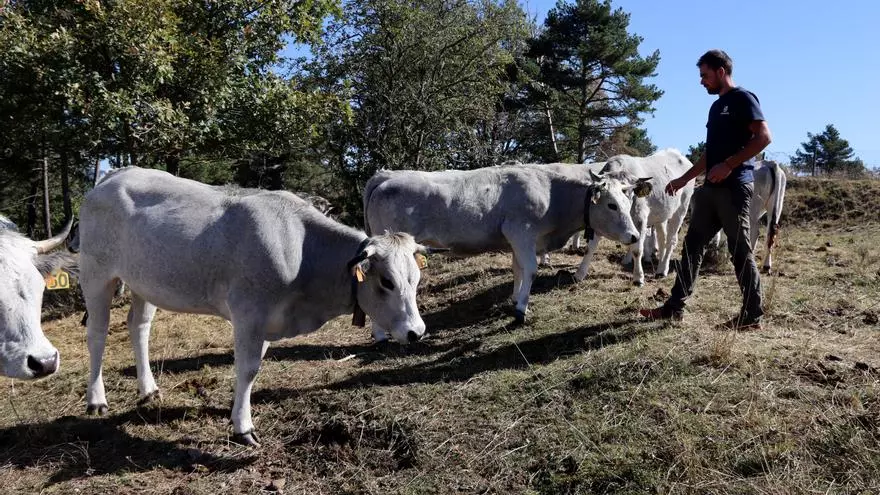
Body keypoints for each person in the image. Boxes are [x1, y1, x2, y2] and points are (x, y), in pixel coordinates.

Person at [640, 49, 772, 330]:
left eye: (705, 75)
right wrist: (684, 179)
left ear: (721, 71)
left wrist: (729, 165)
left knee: (739, 252)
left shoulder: (743, 99)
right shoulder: (716, 107)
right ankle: (675, 308)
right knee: (692, 247)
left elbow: (764, 137)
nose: (702, 81)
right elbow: (709, 154)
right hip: (710, 191)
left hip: (735, 189)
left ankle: (752, 316)